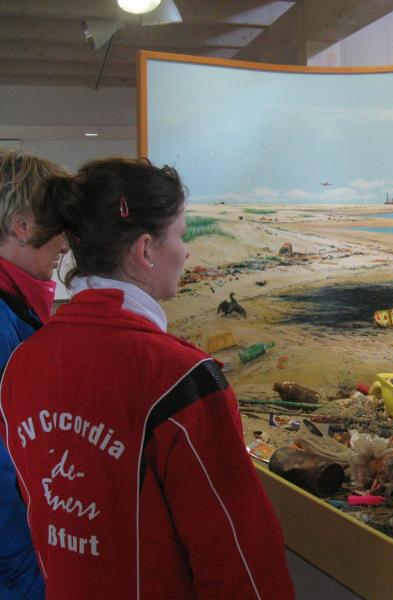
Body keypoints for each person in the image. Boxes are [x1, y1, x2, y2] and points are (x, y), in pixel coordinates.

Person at [0, 157, 294, 599]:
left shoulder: (24, 362)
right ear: (145, 251)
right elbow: (240, 560)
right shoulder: (181, 378)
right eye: (180, 235)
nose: (186, 251)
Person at [0, 150, 69, 600]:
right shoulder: (3, 319)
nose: (65, 242)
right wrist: (31, 576)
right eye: (58, 224)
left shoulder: (17, 304)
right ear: (23, 226)